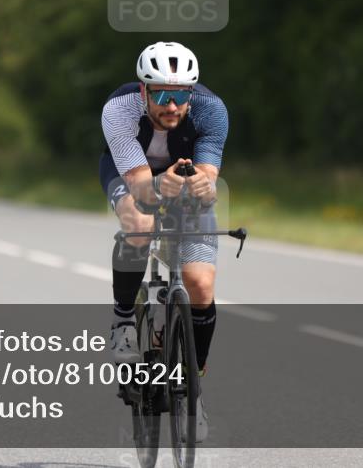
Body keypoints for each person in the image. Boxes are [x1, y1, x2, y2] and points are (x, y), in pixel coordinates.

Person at [99, 42, 228, 441]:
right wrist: (158, 186)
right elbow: (139, 185)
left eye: (182, 95)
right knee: (137, 221)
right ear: (143, 91)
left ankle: (193, 384)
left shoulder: (211, 109)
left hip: (184, 186)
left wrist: (200, 186)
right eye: (162, 95)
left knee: (201, 286)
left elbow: (208, 179)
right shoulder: (118, 109)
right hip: (132, 174)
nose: (173, 106)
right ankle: (123, 320)